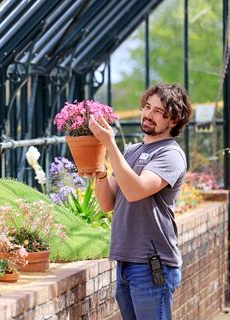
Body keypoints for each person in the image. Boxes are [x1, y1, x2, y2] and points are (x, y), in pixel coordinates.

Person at [87, 83, 191, 320]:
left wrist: (109, 144)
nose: (148, 114)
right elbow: (107, 203)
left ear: (173, 121)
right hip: (125, 260)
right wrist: (100, 174)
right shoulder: (132, 150)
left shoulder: (170, 154)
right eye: (147, 107)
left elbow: (136, 191)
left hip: (152, 264)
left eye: (158, 111)